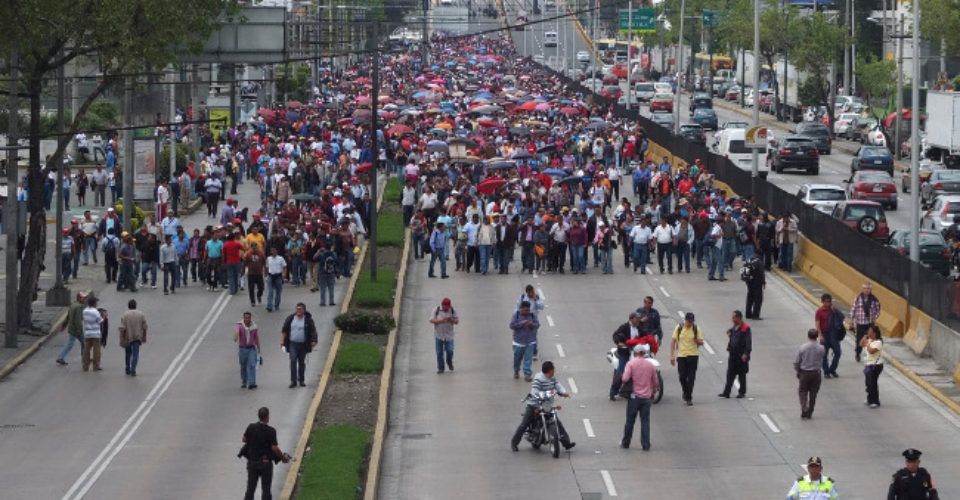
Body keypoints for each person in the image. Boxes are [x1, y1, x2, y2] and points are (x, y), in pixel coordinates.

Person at [510, 361, 575, 452]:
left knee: (557, 422)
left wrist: (564, 392)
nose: (554, 371)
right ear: (549, 371)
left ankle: (566, 443)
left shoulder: (552, 378)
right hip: (534, 404)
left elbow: (557, 385)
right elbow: (535, 392)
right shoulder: (538, 379)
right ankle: (514, 443)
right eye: (553, 369)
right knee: (524, 424)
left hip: (546, 404)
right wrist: (546, 395)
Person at [241, 407, 290, 500]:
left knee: (250, 488)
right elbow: (274, 448)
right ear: (267, 417)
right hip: (265, 463)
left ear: (259, 416)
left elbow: (244, 439)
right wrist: (283, 458)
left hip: (252, 462)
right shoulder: (271, 431)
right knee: (266, 489)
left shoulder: (251, 427)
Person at [619, 344, 659, 450]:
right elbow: (655, 382)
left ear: (635, 353)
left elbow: (624, 379)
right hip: (646, 397)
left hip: (634, 397)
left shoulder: (631, 363)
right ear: (644, 353)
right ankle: (646, 444)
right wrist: (653, 392)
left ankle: (626, 443)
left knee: (630, 422)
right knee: (645, 421)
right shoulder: (650, 365)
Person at [670, 312, 704, 405]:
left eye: (692, 321)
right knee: (682, 377)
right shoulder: (679, 328)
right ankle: (685, 392)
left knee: (691, 378)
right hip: (681, 355)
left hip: (693, 355)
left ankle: (689, 397)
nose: (690, 323)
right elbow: (673, 341)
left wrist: (696, 340)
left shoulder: (696, 328)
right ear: (685, 320)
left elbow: (701, 342)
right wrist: (672, 355)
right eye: (689, 321)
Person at [280, 303, 318, 388]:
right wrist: (282, 341)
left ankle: (301, 380)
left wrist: (314, 341)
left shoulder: (308, 320)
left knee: (301, 363)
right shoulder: (290, 318)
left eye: (300, 309)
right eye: (297, 309)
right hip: (292, 344)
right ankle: (293, 381)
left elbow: (313, 331)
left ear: (304, 310)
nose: (298, 311)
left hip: (303, 345)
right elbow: (284, 330)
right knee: (293, 361)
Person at [719, 310, 751, 399]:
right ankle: (726, 392)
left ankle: (742, 392)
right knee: (730, 374)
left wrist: (746, 353)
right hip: (733, 354)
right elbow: (732, 335)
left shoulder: (745, 328)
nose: (732, 319)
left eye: (734, 317)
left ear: (739, 318)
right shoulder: (734, 327)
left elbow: (748, 343)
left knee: (741, 375)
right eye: (732, 317)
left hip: (741, 355)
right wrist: (729, 334)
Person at [794, 329, 826, 419]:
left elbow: (796, 362)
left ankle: (804, 408)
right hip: (816, 373)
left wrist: (798, 371)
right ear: (816, 337)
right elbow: (822, 357)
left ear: (808, 336)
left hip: (805, 372)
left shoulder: (803, 348)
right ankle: (810, 411)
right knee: (813, 393)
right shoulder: (821, 348)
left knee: (802, 391)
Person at [815, 294, 844, 378]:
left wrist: (835, 310)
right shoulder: (819, 311)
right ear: (822, 302)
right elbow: (817, 324)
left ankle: (832, 369)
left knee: (838, 352)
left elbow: (842, 317)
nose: (828, 303)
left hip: (834, 334)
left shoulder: (833, 310)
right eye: (826, 302)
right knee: (824, 354)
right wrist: (820, 335)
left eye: (829, 302)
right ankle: (826, 371)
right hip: (825, 334)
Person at [509, 301, 540, 382]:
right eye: (525, 310)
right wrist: (522, 323)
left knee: (528, 359)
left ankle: (527, 374)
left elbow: (537, 325)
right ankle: (516, 370)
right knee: (517, 359)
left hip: (530, 341)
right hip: (518, 342)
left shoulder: (532, 315)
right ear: (521, 309)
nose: (527, 312)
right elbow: (512, 325)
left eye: (528, 310)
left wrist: (531, 324)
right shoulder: (516, 315)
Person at [851, 282, 881, 363]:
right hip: (860, 323)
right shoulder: (858, 298)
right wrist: (851, 321)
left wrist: (874, 318)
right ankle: (858, 352)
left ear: (871, 290)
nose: (866, 290)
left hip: (869, 323)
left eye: (868, 289)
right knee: (859, 340)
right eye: (865, 288)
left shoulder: (874, 300)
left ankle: (870, 355)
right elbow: (853, 310)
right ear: (862, 289)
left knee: (870, 340)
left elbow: (878, 310)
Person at [56, 292, 87, 365]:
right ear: (79, 298)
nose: (85, 299)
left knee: (82, 343)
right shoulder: (79, 307)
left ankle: (85, 357)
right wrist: (79, 330)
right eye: (83, 298)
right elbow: (78, 321)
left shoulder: (73, 305)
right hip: (76, 329)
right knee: (77, 343)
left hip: (71, 328)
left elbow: (68, 316)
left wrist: (64, 325)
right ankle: (61, 357)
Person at [118, 299, 147, 376]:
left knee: (128, 353)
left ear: (128, 306)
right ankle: (133, 369)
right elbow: (145, 327)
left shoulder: (125, 315)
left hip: (127, 337)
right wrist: (144, 336)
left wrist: (121, 339)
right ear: (135, 306)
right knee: (135, 354)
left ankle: (127, 368)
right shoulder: (141, 314)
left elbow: (122, 328)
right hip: (137, 337)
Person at [430, 298, 459, 374]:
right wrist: (441, 320)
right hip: (439, 335)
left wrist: (451, 320)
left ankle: (449, 361)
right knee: (439, 352)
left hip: (449, 335)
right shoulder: (436, 310)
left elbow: (457, 321)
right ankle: (441, 368)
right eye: (446, 307)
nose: (447, 308)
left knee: (450, 351)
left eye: (448, 307)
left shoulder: (452, 310)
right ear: (442, 305)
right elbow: (431, 320)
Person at [235, 311, 261, 389]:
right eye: (245, 318)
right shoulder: (239, 325)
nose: (247, 319)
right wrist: (236, 337)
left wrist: (258, 347)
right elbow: (236, 332)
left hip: (251, 349)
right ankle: (244, 380)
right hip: (242, 349)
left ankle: (252, 382)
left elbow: (256, 337)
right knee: (243, 365)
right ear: (243, 318)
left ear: (250, 318)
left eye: (248, 318)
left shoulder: (254, 326)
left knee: (252, 365)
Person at [861, 324, 884, 408]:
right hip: (868, 365)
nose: (868, 332)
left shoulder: (878, 342)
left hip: (876, 366)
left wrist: (867, 343)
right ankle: (869, 398)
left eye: (870, 331)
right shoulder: (869, 340)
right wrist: (865, 337)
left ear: (874, 333)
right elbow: (861, 344)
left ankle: (875, 401)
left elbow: (871, 351)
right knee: (868, 383)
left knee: (873, 383)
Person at [81, 295, 104, 372]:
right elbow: (100, 321)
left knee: (86, 350)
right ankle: (96, 366)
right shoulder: (96, 312)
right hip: (96, 333)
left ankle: (85, 366)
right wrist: (104, 316)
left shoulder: (84, 311)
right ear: (94, 303)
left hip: (87, 333)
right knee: (96, 351)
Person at [314, 241, 338, 306]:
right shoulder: (334, 254)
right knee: (331, 288)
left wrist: (318, 251)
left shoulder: (322, 254)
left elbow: (314, 258)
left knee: (323, 288)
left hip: (322, 272)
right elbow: (336, 261)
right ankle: (331, 301)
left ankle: (323, 302)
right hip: (331, 272)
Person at [266, 246, 286, 312]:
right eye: (272, 250)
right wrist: (266, 275)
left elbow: (284, 266)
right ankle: (269, 306)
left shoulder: (280, 258)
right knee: (270, 292)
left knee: (278, 292)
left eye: (274, 250)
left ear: (276, 251)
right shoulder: (268, 259)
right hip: (271, 276)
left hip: (278, 276)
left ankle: (276, 304)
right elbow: (266, 267)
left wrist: (284, 274)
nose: (273, 252)